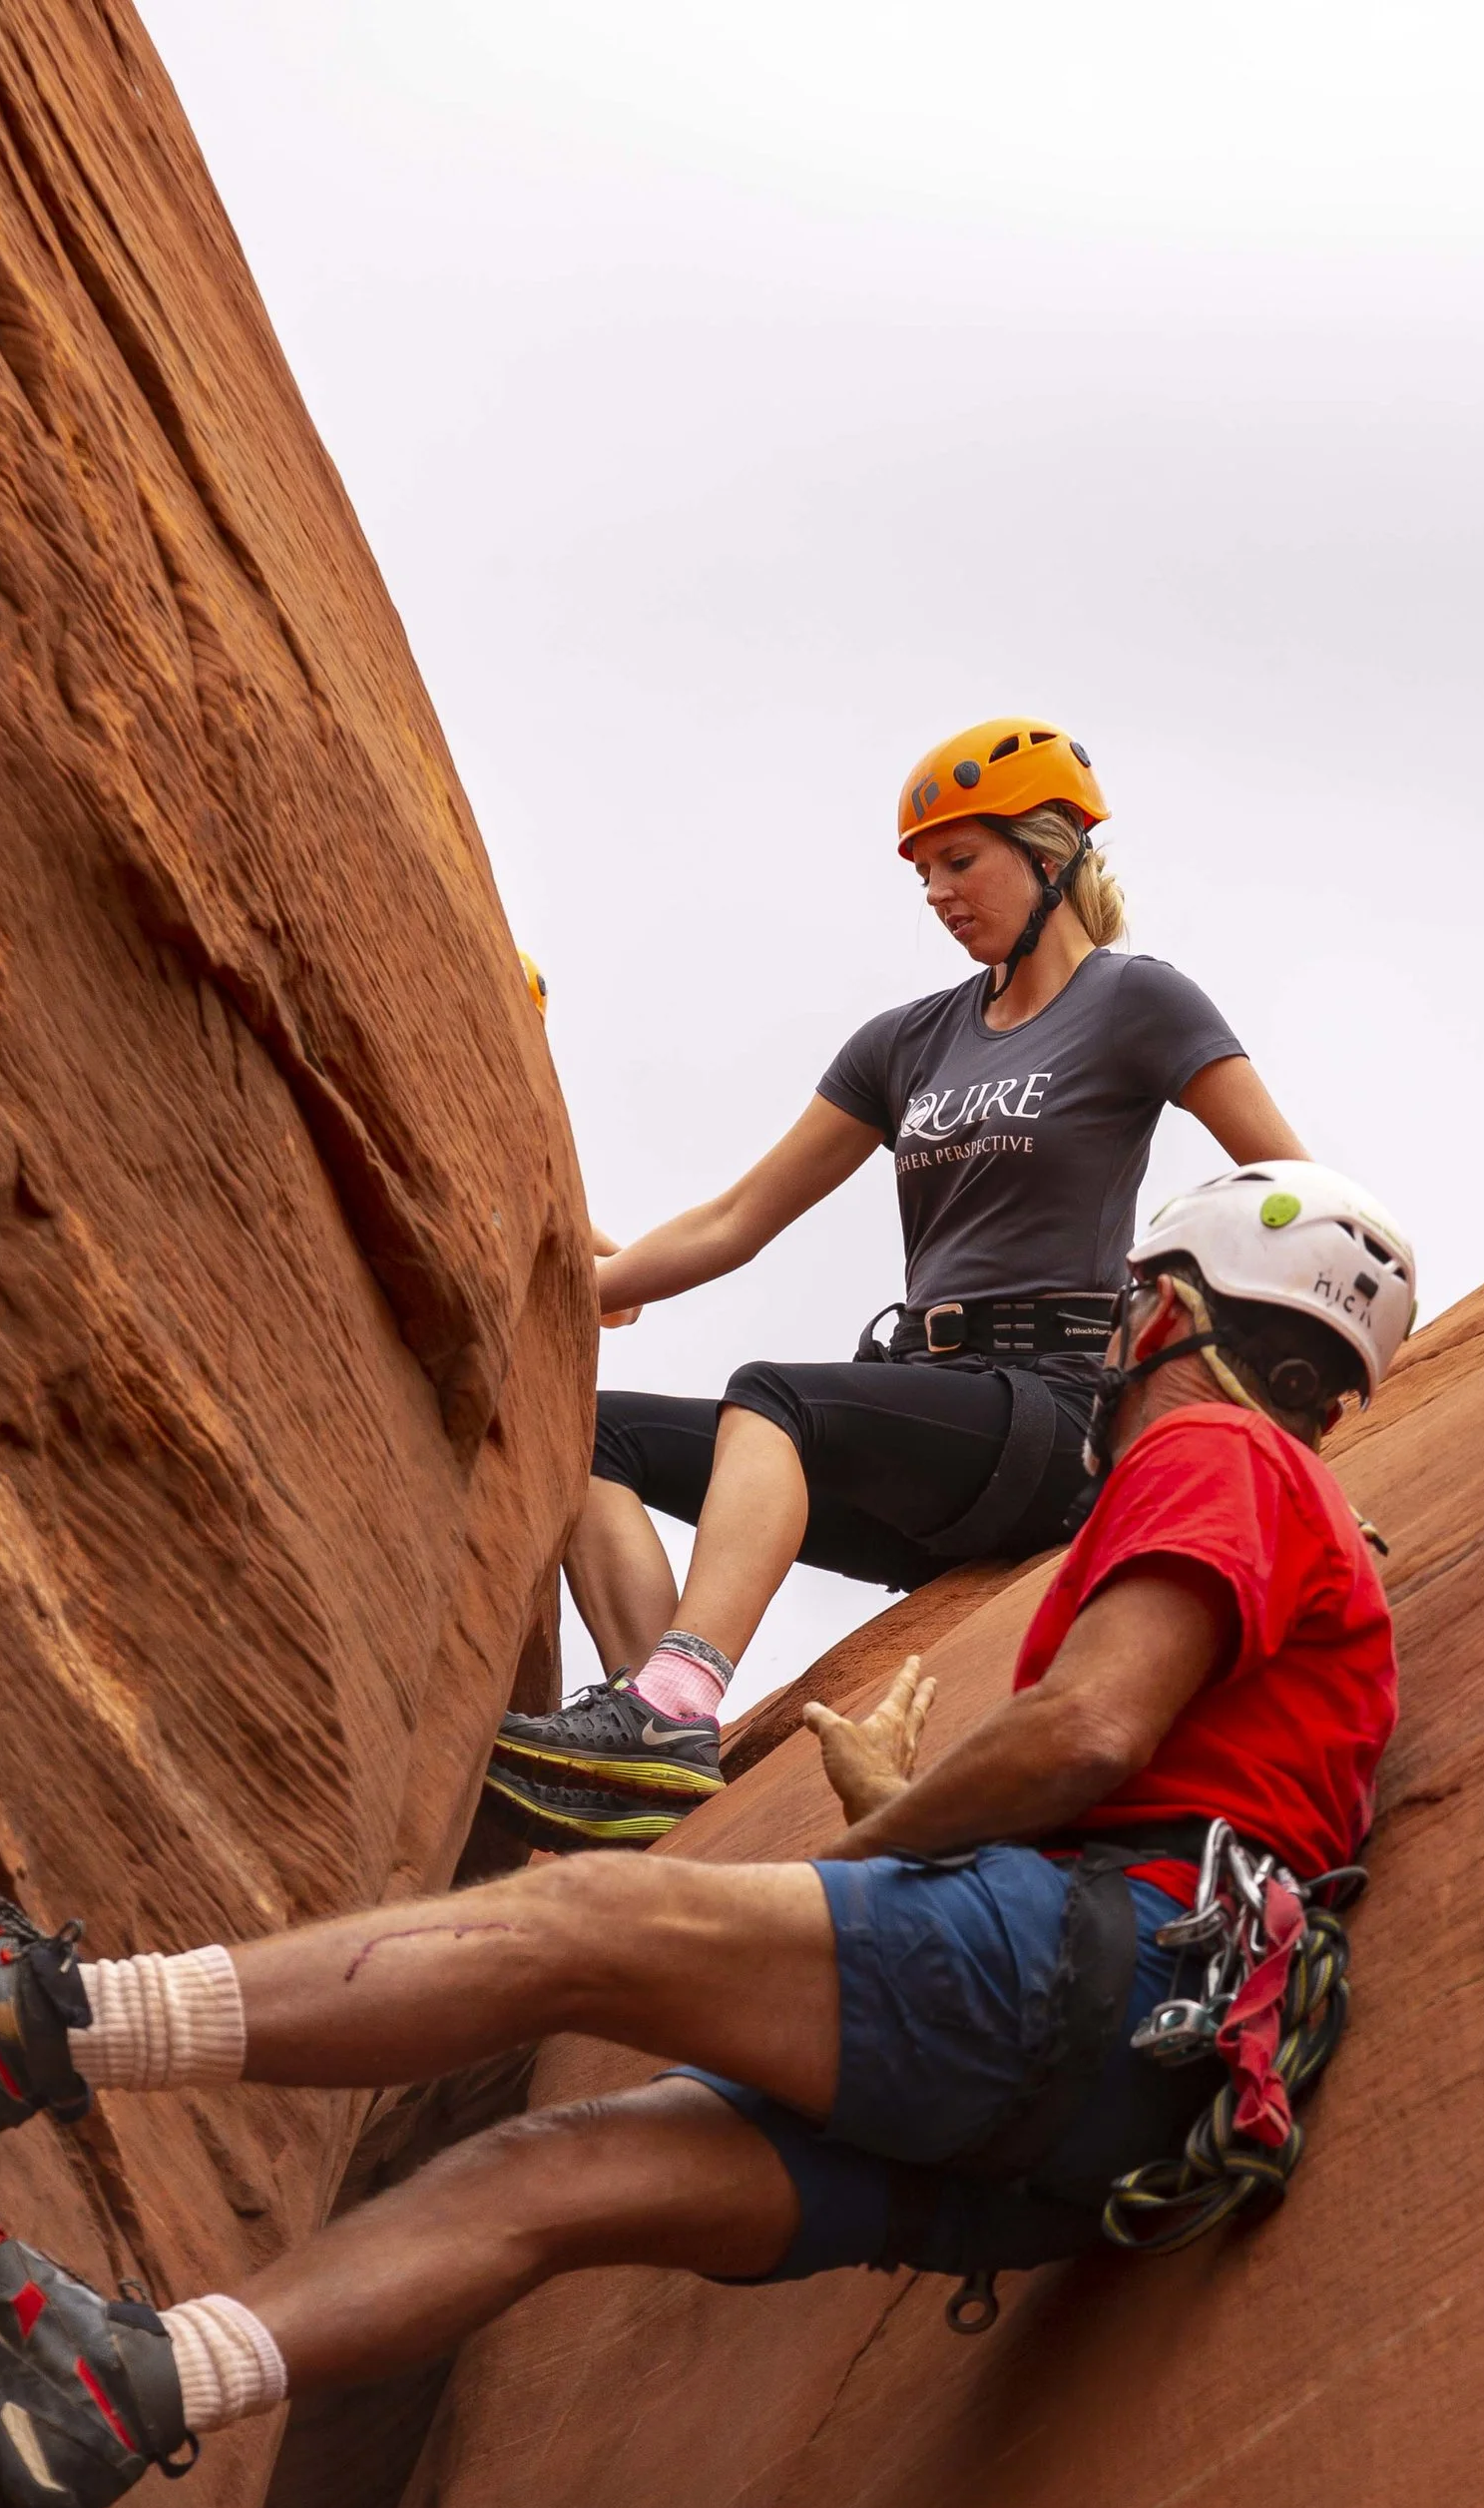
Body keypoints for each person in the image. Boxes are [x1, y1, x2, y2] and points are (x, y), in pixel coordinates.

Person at [0, 1167, 1417, 2508]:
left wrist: (879, 1850)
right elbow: (1156, 1762)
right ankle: (133, 2387)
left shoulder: (1217, 1445)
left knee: (580, 1918)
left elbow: (1090, 1723)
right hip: (1134, 2116)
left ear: (1159, 1307)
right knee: (562, 2172)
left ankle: (35, 2019)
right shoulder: (1301, 1507)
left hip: (1111, 1965)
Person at [486, 717, 1322, 1849]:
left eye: (957, 859)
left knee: (772, 1396)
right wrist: (574, 1295)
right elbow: (737, 1217)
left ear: (1052, 850)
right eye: (923, 871)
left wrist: (1276, 1393)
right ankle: (658, 1736)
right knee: (582, 1434)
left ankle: (670, 1705)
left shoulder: (1137, 1003)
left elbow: (1290, 1186)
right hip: (929, 1414)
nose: (935, 890)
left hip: (1052, 1408)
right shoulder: (907, 1044)